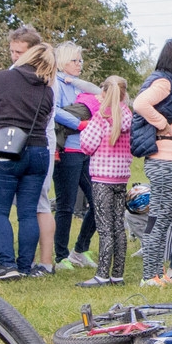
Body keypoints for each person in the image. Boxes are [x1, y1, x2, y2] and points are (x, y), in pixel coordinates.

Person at [0, 26, 59, 277]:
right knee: (28, 211)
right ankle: (25, 265)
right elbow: (47, 121)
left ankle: (7, 264)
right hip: (38, 150)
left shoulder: (0, 79)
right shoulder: (47, 88)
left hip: (7, 147)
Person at [130, 38, 172, 286]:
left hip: (170, 158)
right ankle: (149, 275)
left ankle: (157, 272)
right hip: (163, 158)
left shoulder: (167, 82)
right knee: (160, 215)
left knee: (164, 217)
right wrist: (162, 124)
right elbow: (140, 103)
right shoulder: (164, 82)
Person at [75, 76, 132, 287]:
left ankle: (101, 274)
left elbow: (87, 145)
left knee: (104, 227)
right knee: (118, 225)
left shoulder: (102, 116)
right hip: (121, 176)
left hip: (102, 177)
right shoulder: (127, 115)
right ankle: (118, 274)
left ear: (105, 93)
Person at [52, 43, 100, 271]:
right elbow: (55, 111)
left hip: (85, 149)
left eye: (80, 60)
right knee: (66, 204)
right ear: (63, 62)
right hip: (67, 150)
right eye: (75, 60)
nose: (79, 64)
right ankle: (60, 255)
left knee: (98, 200)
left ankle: (80, 249)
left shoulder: (81, 86)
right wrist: (80, 123)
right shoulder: (56, 84)